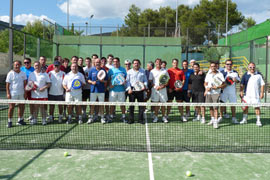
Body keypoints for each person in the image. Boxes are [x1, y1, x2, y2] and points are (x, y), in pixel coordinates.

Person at [240, 62, 265, 127]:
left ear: (255, 67)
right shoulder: (245, 75)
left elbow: (262, 84)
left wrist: (262, 93)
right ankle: (244, 119)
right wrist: (241, 92)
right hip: (247, 95)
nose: (252, 68)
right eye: (250, 67)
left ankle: (258, 121)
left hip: (255, 95)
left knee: (257, 108)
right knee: (245, 108)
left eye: (253, 67)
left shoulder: (259, 75)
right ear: (248, 67)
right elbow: (242, 84)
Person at [28, 61, 51, 125]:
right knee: (35, 107)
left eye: (38, 65)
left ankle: (43, 120)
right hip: (34, 94)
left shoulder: (45, 74)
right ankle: (35, 119)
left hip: (43, 95)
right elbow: (29, 84)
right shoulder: (31, 74)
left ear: (40, 66)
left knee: (42, 107)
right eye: (35, 66)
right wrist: (32, 87)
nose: (37, 67)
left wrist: (43, 88)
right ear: (34, 66)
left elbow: (49, 84)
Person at [6, 60, 27, 128]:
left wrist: (25, 93)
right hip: (13, 93)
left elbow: (25, 84)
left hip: (21, 93)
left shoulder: (23, 73)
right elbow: (7, 84)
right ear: (13, 65)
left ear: (20, 66)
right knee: (11, 107)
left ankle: (20, 120)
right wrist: (8, 93)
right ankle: (10, 121)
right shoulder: (10, 73)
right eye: (15, 65)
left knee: (21, 106)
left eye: (18, 65)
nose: (16, 66)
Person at [204, 62, 225, 129]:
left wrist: (218, 87)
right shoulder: (208, 74)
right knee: (210, 107)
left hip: (216, 93)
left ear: (216, 67)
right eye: (212, 66)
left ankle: (215, 122)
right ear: (210, 67)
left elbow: (224, 84)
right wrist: (206, 88)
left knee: (215, 108)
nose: (213, 67)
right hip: (209, 93)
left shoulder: (220, 74)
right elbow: (205, 83)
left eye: (214, 66)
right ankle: (212, 119)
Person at [126, 59, 148, 124]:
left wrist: (145, 86)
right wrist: (129, 89)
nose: (136, 64)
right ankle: (131, 120)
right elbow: (127, 81)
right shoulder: (129, 72)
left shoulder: (143, 71)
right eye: (135, 63)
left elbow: (145, 80)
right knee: (131, 106)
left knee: (141, 106)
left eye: (137, 63)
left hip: (140, 90)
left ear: (139, 64)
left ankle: (141, 120)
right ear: (133, 64)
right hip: (132, 90)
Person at [87, 58, 108, 124]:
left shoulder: (103, 70)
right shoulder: (92, 70)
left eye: (99, 62)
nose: (98, 63)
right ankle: (91, 117)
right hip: (93, 91)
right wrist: (92, 82)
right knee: (92, 105)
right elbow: (88, 80)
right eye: (96, 62)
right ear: (94, 63)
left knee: (101, 105)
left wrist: (102, 81)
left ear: (100, 63)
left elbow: (106, 80)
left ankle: (102, 117)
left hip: (101, 90)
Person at [219, 59, 240, 124]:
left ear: (232, 65)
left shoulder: (235, 72)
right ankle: (221, 117)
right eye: (227, 64)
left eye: (230, 64)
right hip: (223, 92)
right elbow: (219, 82)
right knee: (222, 104)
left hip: (232, 92)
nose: (229, 65)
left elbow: (238, 81)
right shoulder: (221, 72)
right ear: (225, 65)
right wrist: (223, 85)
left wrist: (235, 80)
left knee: (233, 105)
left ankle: (233, 118)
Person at [149, 58, 169, 123]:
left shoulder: (165, 71)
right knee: (156, 104)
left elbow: (167, 80)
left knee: (163, 104)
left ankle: (163, 117)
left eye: (159, 62)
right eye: (157, 62)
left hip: (163, 90)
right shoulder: (152, 71)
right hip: (155, 90)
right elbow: (150, 81)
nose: (158, 63)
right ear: (155, 63)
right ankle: (156, 117)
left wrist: (162, 86)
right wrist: (155, 86)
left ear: (161, 63)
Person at [107, 57, 127, 123]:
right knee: (112, 104)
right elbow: (109, 79)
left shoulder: (123, 69)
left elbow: (126, 78)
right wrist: (110, 85)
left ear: (119, 62)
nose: (115, 63)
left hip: (121, 90)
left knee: (122, 104)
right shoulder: (111, 70)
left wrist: (124, 81)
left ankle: (123, 116)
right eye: (114, 62)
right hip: (113, 90)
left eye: (116, 61)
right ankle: (110, 116)